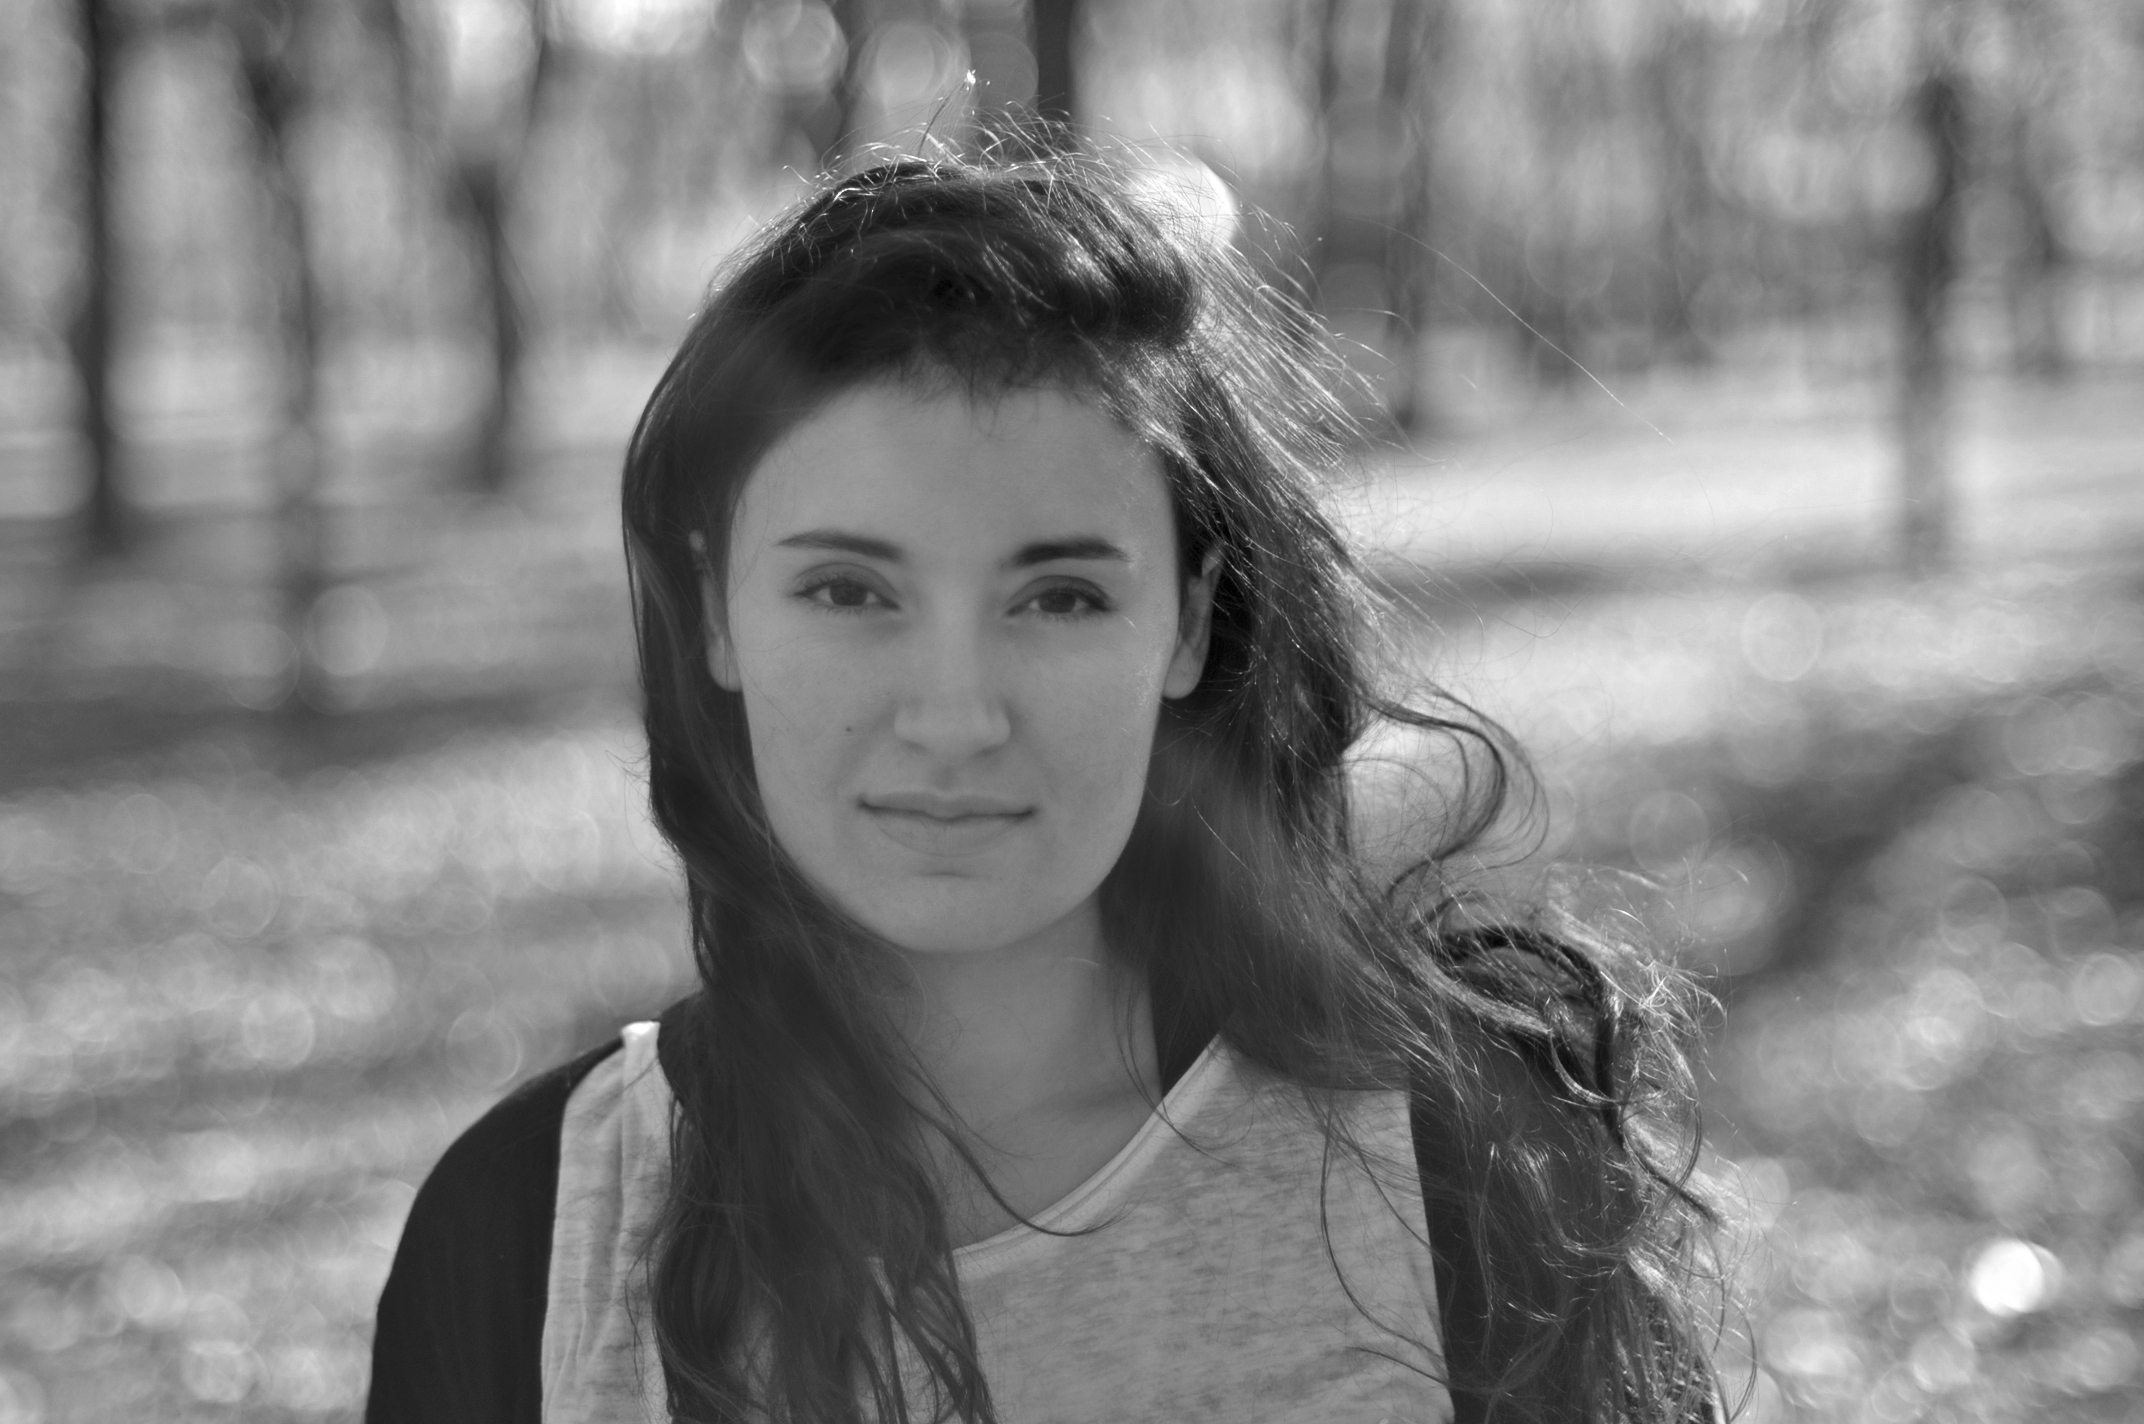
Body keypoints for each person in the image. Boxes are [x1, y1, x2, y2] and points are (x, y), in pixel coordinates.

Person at [366, 146, 1724, 1424]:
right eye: (848, 590)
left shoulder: (1459, 1157)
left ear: (1189, 620)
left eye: (1061, 596)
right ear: (716, 608)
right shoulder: (533, 1227)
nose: (955, 717)